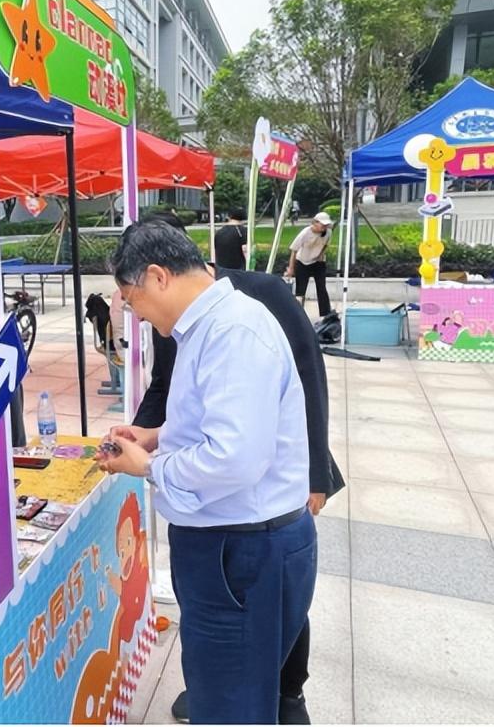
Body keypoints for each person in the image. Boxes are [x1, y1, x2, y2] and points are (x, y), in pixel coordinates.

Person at [97, 221, 317, 725]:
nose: (138, 315)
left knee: (229, 706)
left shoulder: (231, 332)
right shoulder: (212, 325)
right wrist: (158, 435)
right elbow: (219, 419)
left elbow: (235, 457)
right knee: (231, 692)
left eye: (132, 300)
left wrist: (149, 466)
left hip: (242, 550)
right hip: (234, 543)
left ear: (158, 276)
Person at [286, 212, 334, 318]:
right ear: (315, 223)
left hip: (318, 262)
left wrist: (321, 254)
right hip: (302, 262)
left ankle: (326, 314)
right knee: (300, 290)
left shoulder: (328, 232)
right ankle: (299, 314)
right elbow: (294, 250)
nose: (324, 227)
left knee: (321, 287)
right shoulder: (305, 233)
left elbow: (326, 244)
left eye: (326, 225)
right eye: (322, 225)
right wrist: (291, 268)